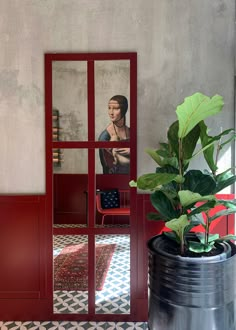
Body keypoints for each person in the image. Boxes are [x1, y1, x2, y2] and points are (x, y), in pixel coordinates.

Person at [98, 95, 130, 174]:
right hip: (114, 180)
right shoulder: (105, 137)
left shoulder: (131, 132)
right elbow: (108, 167)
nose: (111, 113)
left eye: (115, 108)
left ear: (124, 110)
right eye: (109, 108)